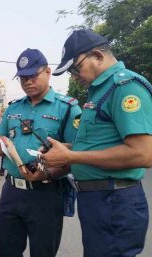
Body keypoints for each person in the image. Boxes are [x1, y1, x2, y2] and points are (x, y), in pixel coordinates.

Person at [42, 29, 152, 257]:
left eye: (75, 68)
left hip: (114, 201)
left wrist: (71, 157)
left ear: (98, 56)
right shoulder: (100, 91)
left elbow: (143, 154)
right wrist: (66, 149)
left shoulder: (125, 87)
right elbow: (99, 145)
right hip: (99, 201)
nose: (74, 76)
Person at [0, 48, 82, 257]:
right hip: (12, 192)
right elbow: (0, 138)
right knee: (7, 250)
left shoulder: (67, 108)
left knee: (43, 252)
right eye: (23, 78)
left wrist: (48, 173)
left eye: (32, 75)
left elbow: (75, 157)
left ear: (48, 72)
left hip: (46, 195)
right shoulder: (12, 108)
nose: (27, 82)